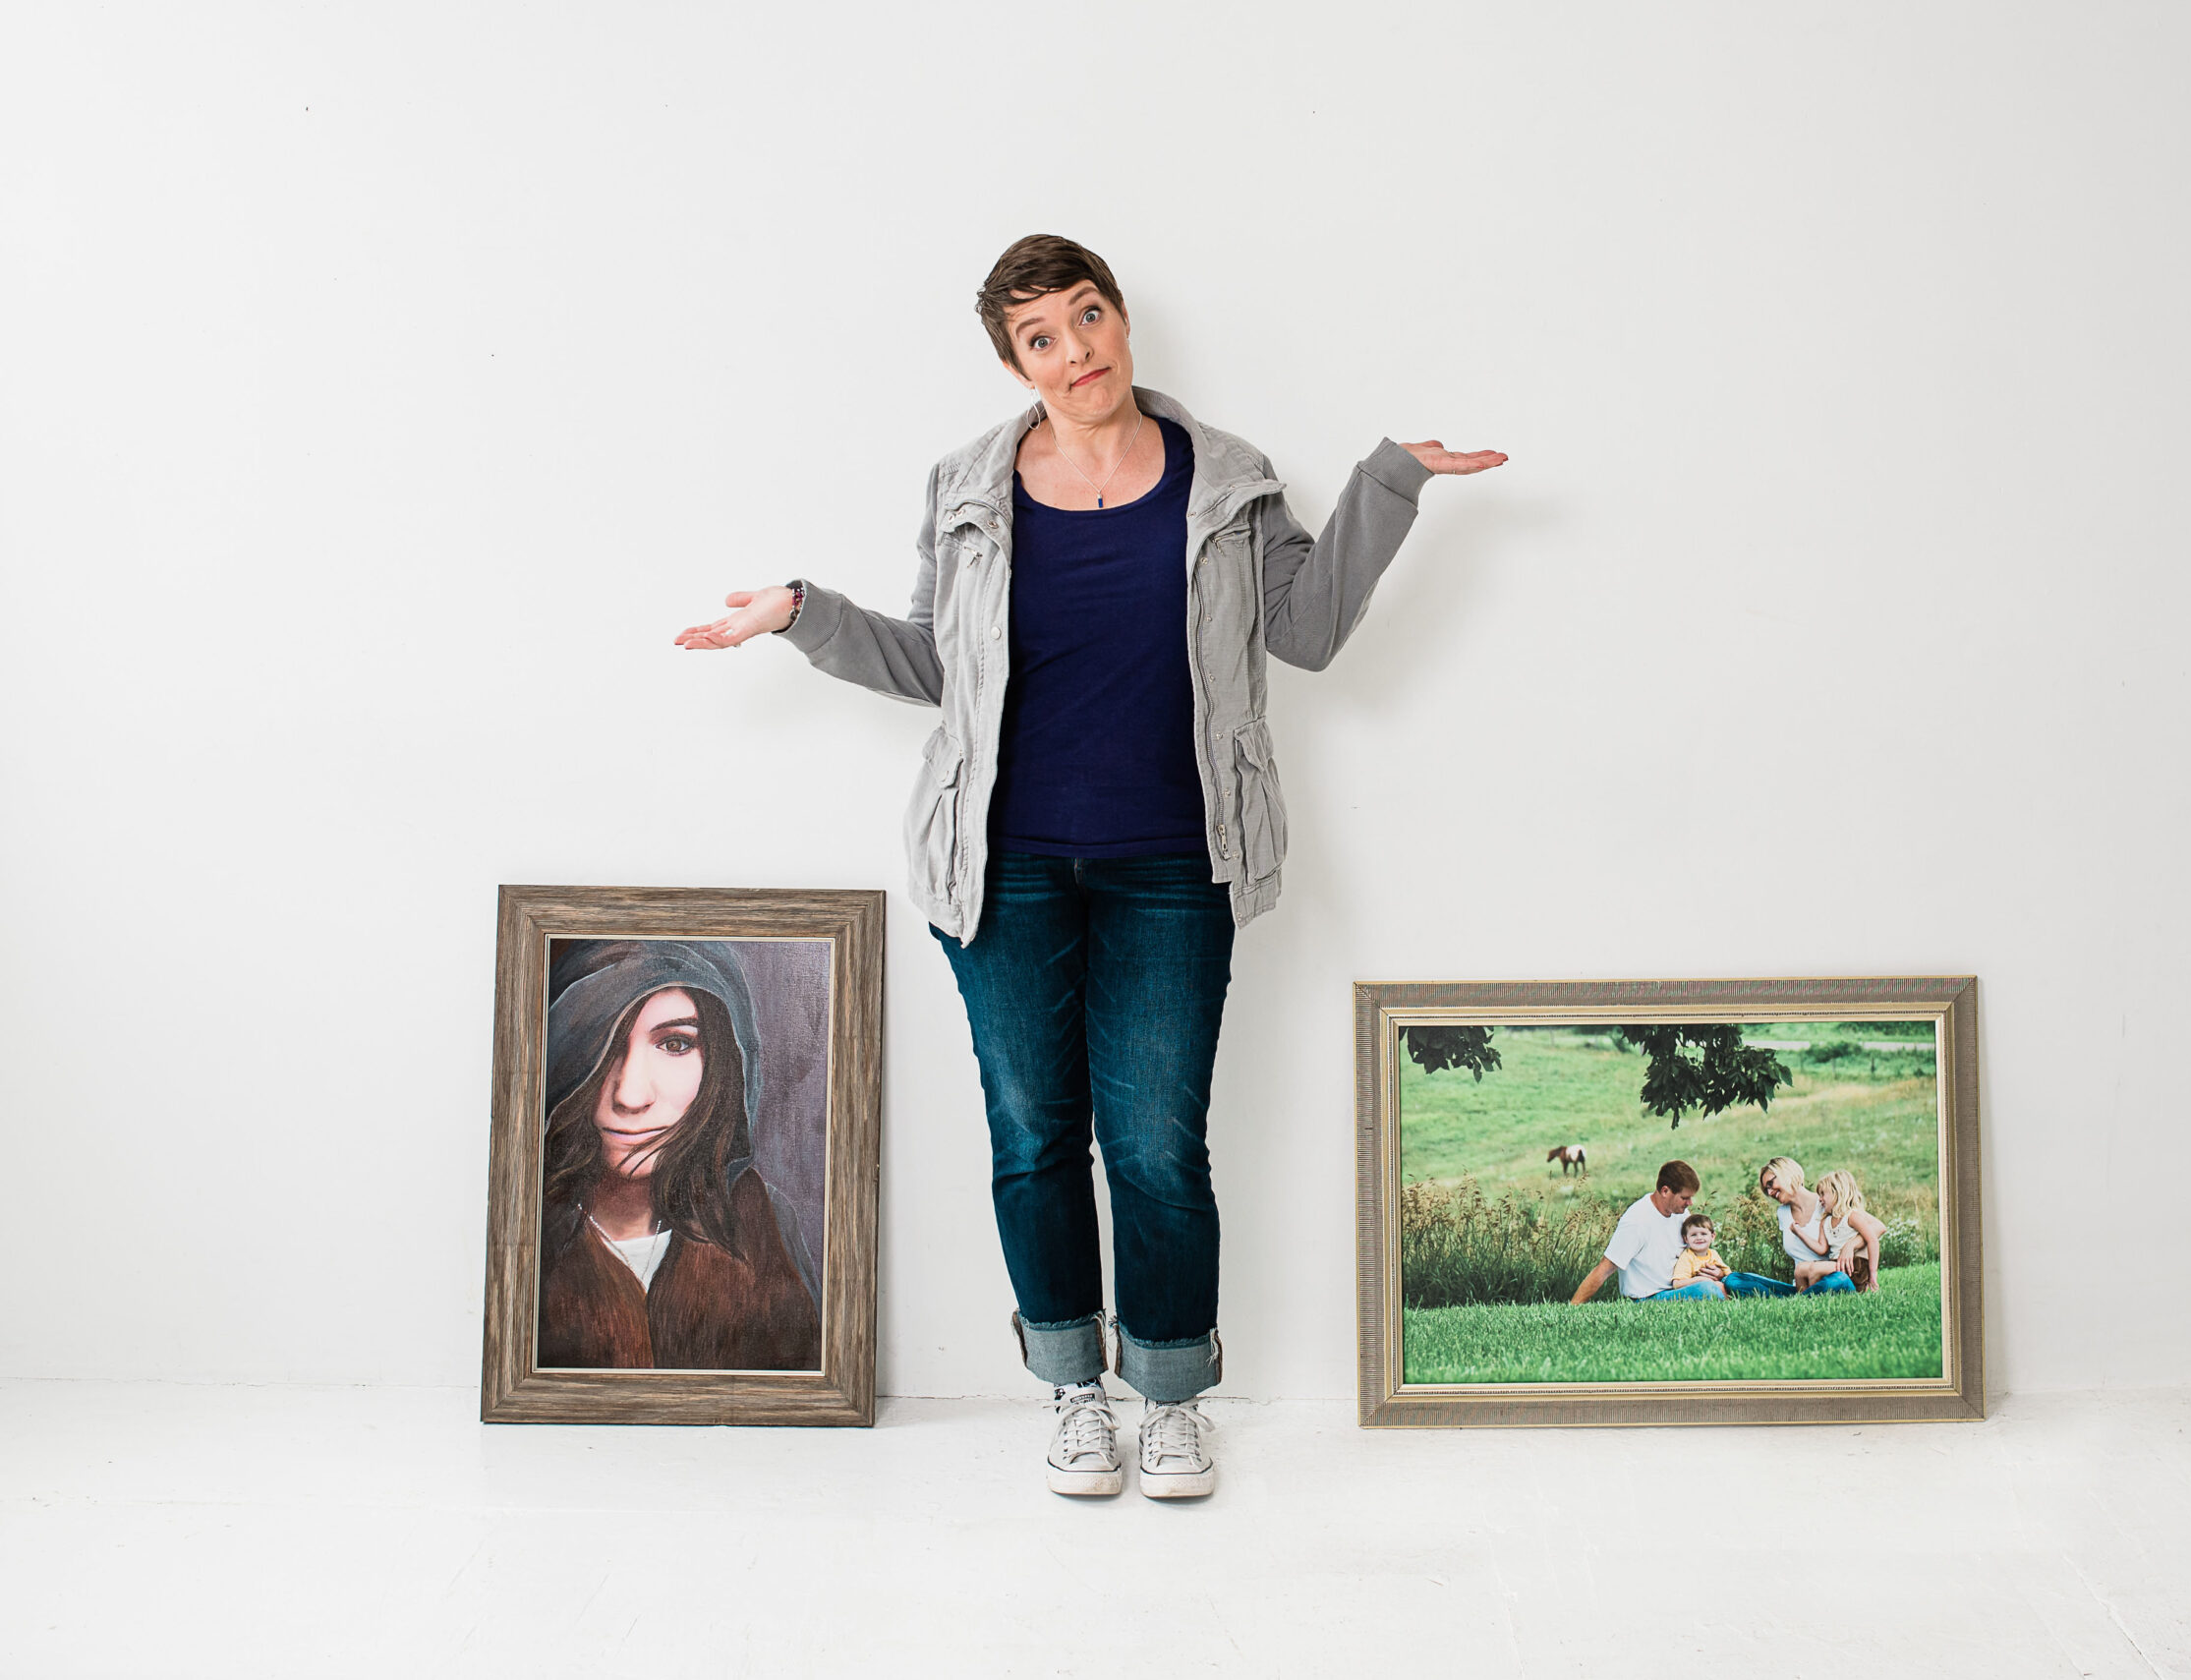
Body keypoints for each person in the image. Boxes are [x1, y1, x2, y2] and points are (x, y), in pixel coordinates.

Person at [674, 235, 1504, 1497]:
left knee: (1160, 1146)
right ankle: (1072, 1386)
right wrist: (803, 612)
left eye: (1089, 315)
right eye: (1043, 337)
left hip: (1175, 861)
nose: (1078, 350)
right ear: (1017, 363)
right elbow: (937, 666)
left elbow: (1309, 633)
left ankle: (1168, 1397)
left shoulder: (1225, 479)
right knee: (1033, 1133)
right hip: (1001, 867)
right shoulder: (967, 486)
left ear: (1121, 320)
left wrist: (1389, 483)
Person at [537, 940, 822, 1370]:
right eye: (604, 1043)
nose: (631, 1096)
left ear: (722, 1064)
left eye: (674, 1044)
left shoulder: (763, 1225)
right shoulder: (530, 1230)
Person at [1570, 1161, 1701, 1303]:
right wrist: (1573, 1306)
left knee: (1727, 1279)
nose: (1690, 1203)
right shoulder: (1637, 1221)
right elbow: (1604, 1269)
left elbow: (1695, 1253)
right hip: (1649, 1297)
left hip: (1679, 1287)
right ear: (1665, 1191)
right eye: (1685, 1198)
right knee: (1707, 1290)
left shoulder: (1681, 1213)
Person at [1759, 1155, 1857, 1296]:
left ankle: (1799, 1299)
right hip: (1801, 1285)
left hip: (1833, 1278)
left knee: (1839, 1280)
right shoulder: (1782, 1213)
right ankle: (1805, 1296)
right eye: (1766, 1190)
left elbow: (1874, 1227)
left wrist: (1851, 1245)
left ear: (1786, 1174)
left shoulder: (1827, 1202)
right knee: (1735, 1280)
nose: (1769, 1192)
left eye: (1770, 1184)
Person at [1814, 1168, 1887, 1292]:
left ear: (1837, 1193)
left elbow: (1875, 1236)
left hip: (1853, 1268)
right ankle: (1808, 1295)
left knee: (1813, 1269)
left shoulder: (1853, 1216)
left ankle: (1806, 1296)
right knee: (1808, 1269)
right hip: (1839, 1265)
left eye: (1823, 1194)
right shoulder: (1827, 1220)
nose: (1819, 1199)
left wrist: (1873, 1274)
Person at [1665, 1212, 1730, 1300]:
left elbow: (1728, 1275)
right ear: (1686, 1239)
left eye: (1703, 1234)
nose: (1699, 1238)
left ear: (1712, 1236)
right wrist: (1702, 1279)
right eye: (1693, 1235)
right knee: (1710, 1287)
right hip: (1700, 1290)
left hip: (1716, 1286)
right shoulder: (1687, 1256)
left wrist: (1722, 1275)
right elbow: (1677, 1284)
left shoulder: (1713, 1254)